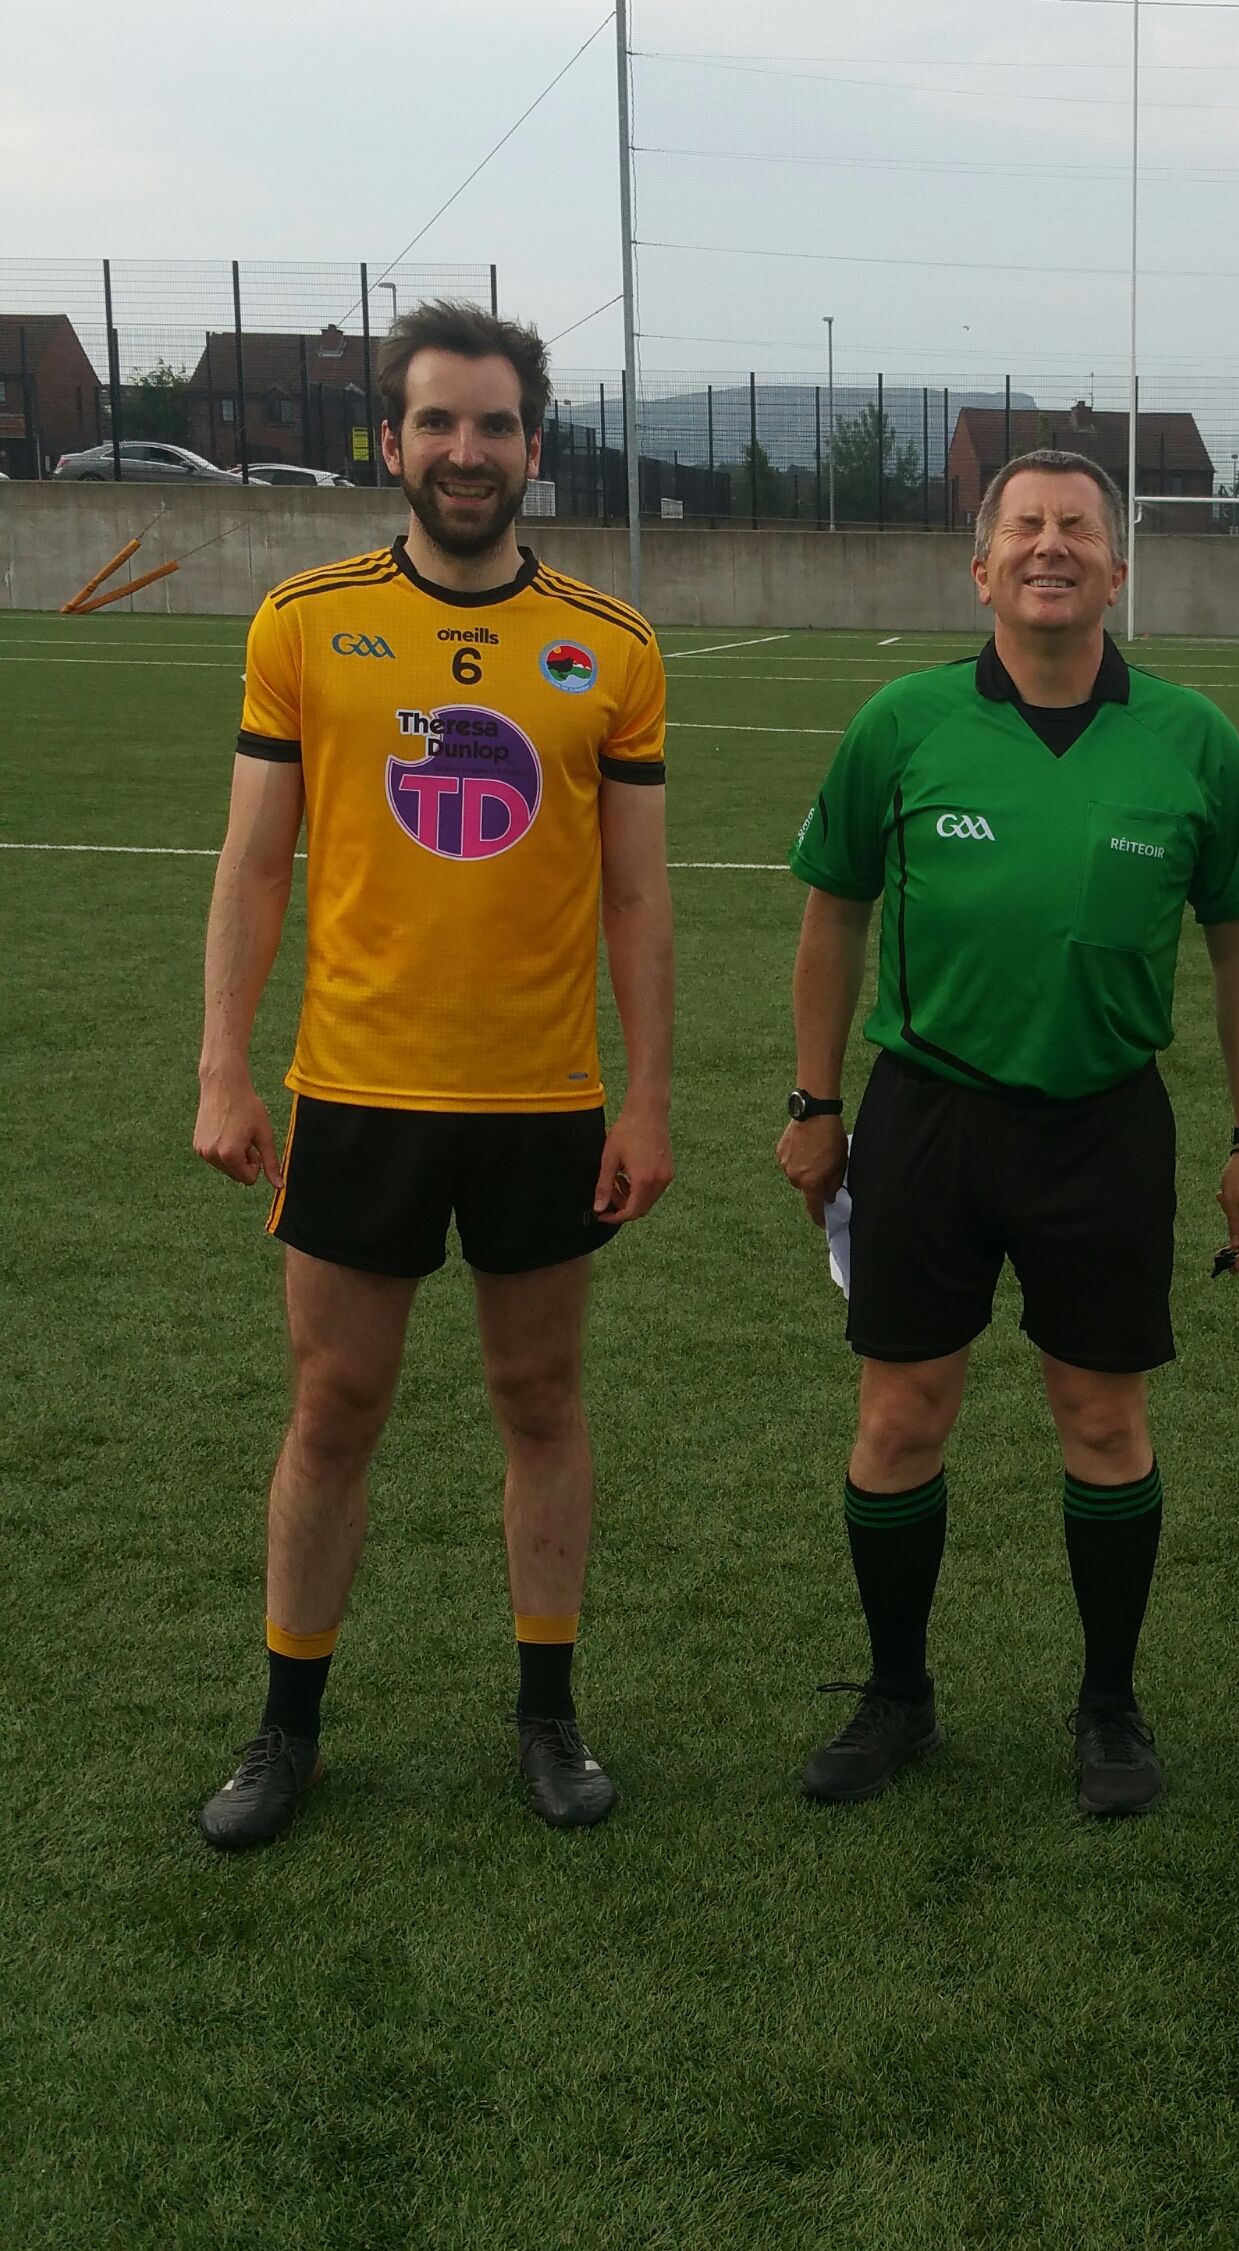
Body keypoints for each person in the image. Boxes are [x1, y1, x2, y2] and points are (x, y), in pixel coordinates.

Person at [191, 300, 674, 1847]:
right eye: (439, 423)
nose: (468, 451)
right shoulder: (305, 622)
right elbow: (255, 864)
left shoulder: (611, 646)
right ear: (390, 442)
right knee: (334, 1406)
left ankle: (547, 1717)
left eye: (495, 425)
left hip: (541, 1102)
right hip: (358, 1092)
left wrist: (648, 1095)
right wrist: (225, 1066)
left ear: (536, 444)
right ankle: (287, 1731)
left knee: (541, 1396)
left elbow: (640, 897)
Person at [776, 448, 1239, 1816]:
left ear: (1118, 570)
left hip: (1105, 1125)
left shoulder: (1194, 742)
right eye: (1025, 527)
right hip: (924, 1120)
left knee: (1103, 1418)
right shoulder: (902, 723)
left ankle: (1108, 1704)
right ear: (981, 566)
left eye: (1077, 529)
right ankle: (897, 1695)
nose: (1050, 546)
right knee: (898, 1416)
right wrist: (815, 1103)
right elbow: (833, 911)